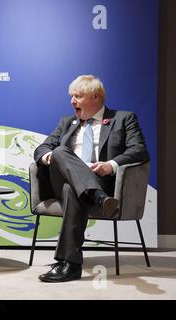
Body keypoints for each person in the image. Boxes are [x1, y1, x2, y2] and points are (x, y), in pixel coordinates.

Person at [33, 75, 149, 282]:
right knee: (59, 151)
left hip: (99, 180)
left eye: (77, 96)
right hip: (65, 181)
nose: (72, 101)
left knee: (72, 189)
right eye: (71, 96)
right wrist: (50, 157)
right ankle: (100, 199)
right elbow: (42, 147)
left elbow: (139, 150)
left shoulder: (123, 119)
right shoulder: (67, 122)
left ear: (95, 97)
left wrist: (111, 165)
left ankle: (70, 264)